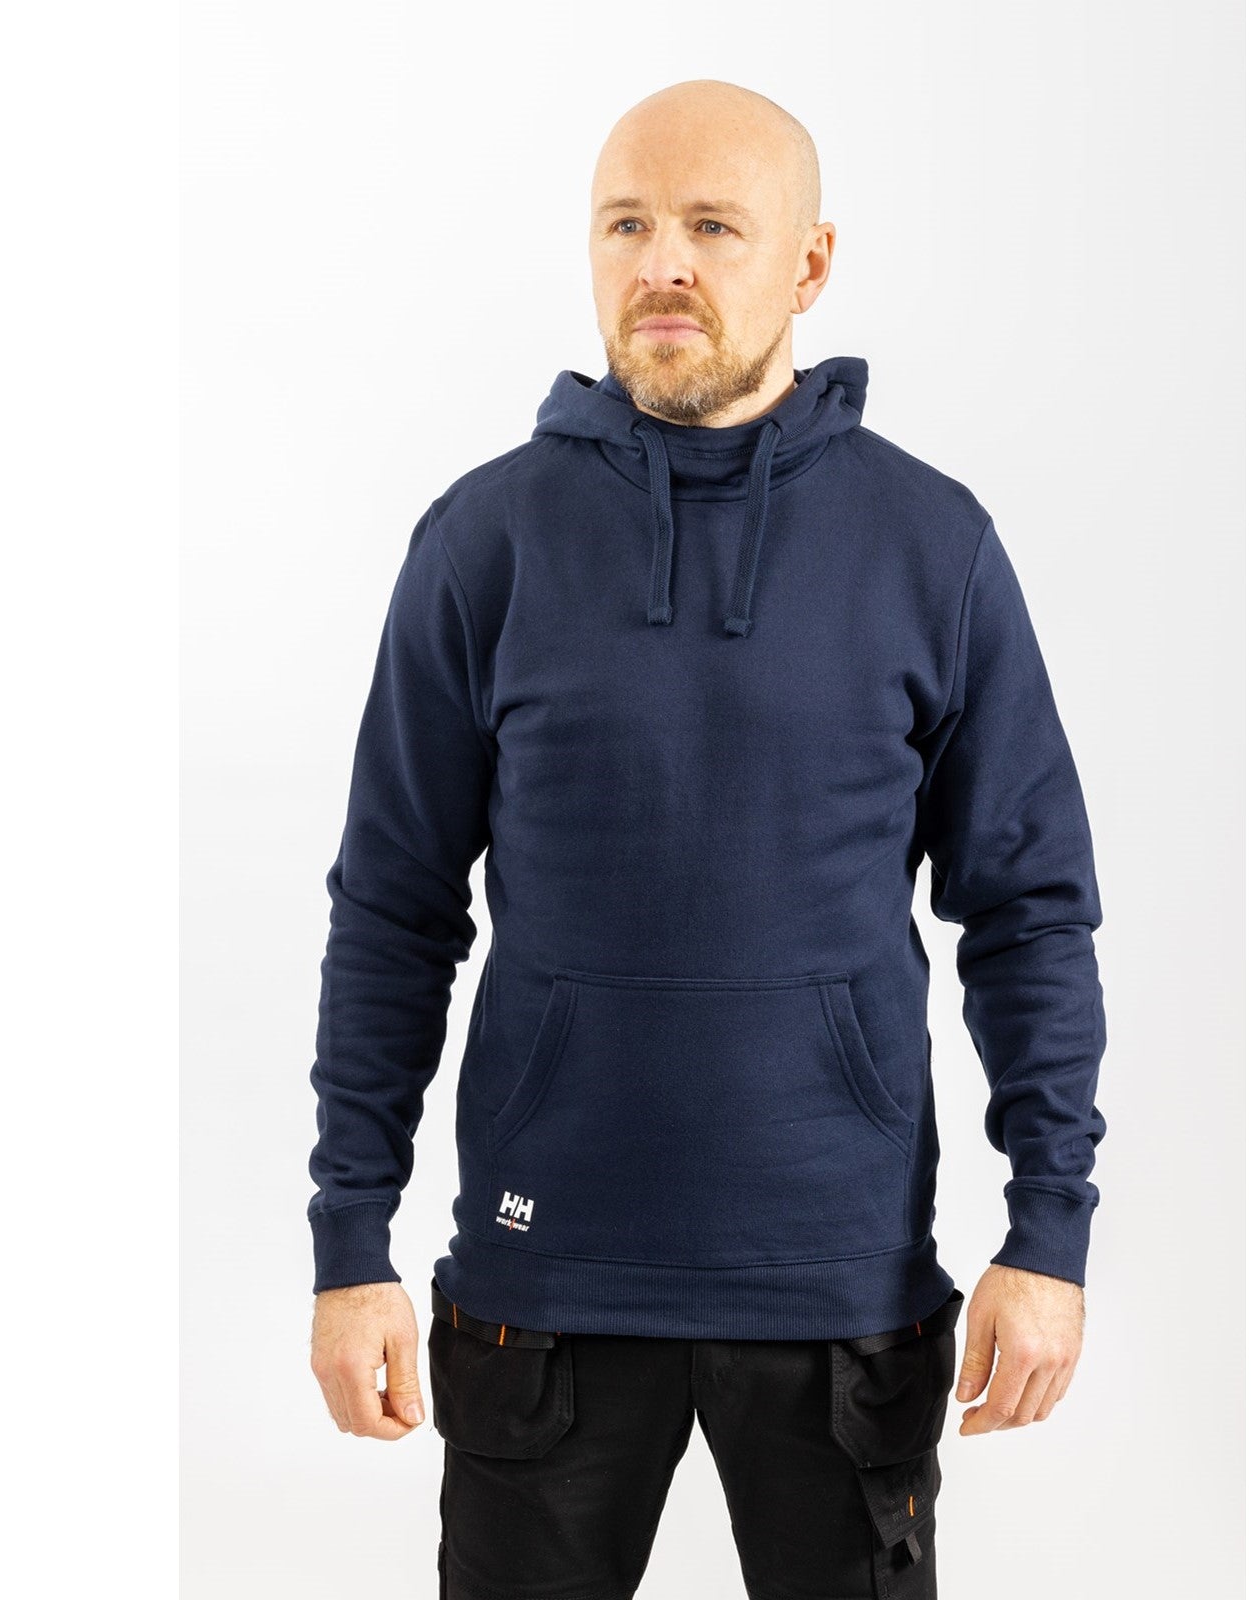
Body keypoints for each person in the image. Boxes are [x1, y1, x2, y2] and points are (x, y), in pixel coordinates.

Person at [306, 77, 1108, 1600]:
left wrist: (1049, 1232)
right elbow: (393, 913)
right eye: (626, 225)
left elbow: (1028, 913)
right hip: (541, 1284)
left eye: (712, 227)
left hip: (839, 1292)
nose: (662, 264)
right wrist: (352, 1242)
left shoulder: (931, 546)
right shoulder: (485, 543)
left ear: (809, 264)